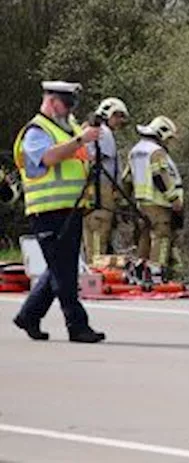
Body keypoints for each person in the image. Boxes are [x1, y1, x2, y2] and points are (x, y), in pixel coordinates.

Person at [11, 81, 106, 343]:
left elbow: (81, 155)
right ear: (51, 101)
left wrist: (88, 145)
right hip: (47, 211)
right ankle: (77, 326)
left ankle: (29, 315)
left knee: (60, 268)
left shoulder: (69, 127)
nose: (69, 109)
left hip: (70, 208)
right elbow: (47, 158)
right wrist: (80, 140)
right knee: (64, 272)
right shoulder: (36, 130)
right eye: (66, 104)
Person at [128, 116, 184, 269]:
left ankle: (140, 274)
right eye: (169, 138)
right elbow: (160, 177)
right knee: (162, 239)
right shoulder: (156, 152)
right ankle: (156, 274)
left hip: (142, 203)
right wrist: (175, 200)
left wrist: (125, 203)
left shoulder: (135, 150)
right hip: (159, 204)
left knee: (144, 239)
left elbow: (127, 178)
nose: (168, 142)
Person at [82, 96, 129, 262]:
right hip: (100, 192)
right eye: (117, 116)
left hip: (95, 191)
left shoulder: (93, 130)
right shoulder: (104, 133)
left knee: (96, 238)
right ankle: (94, 278)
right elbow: (96, 161)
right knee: (98, 236)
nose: (119, 122)